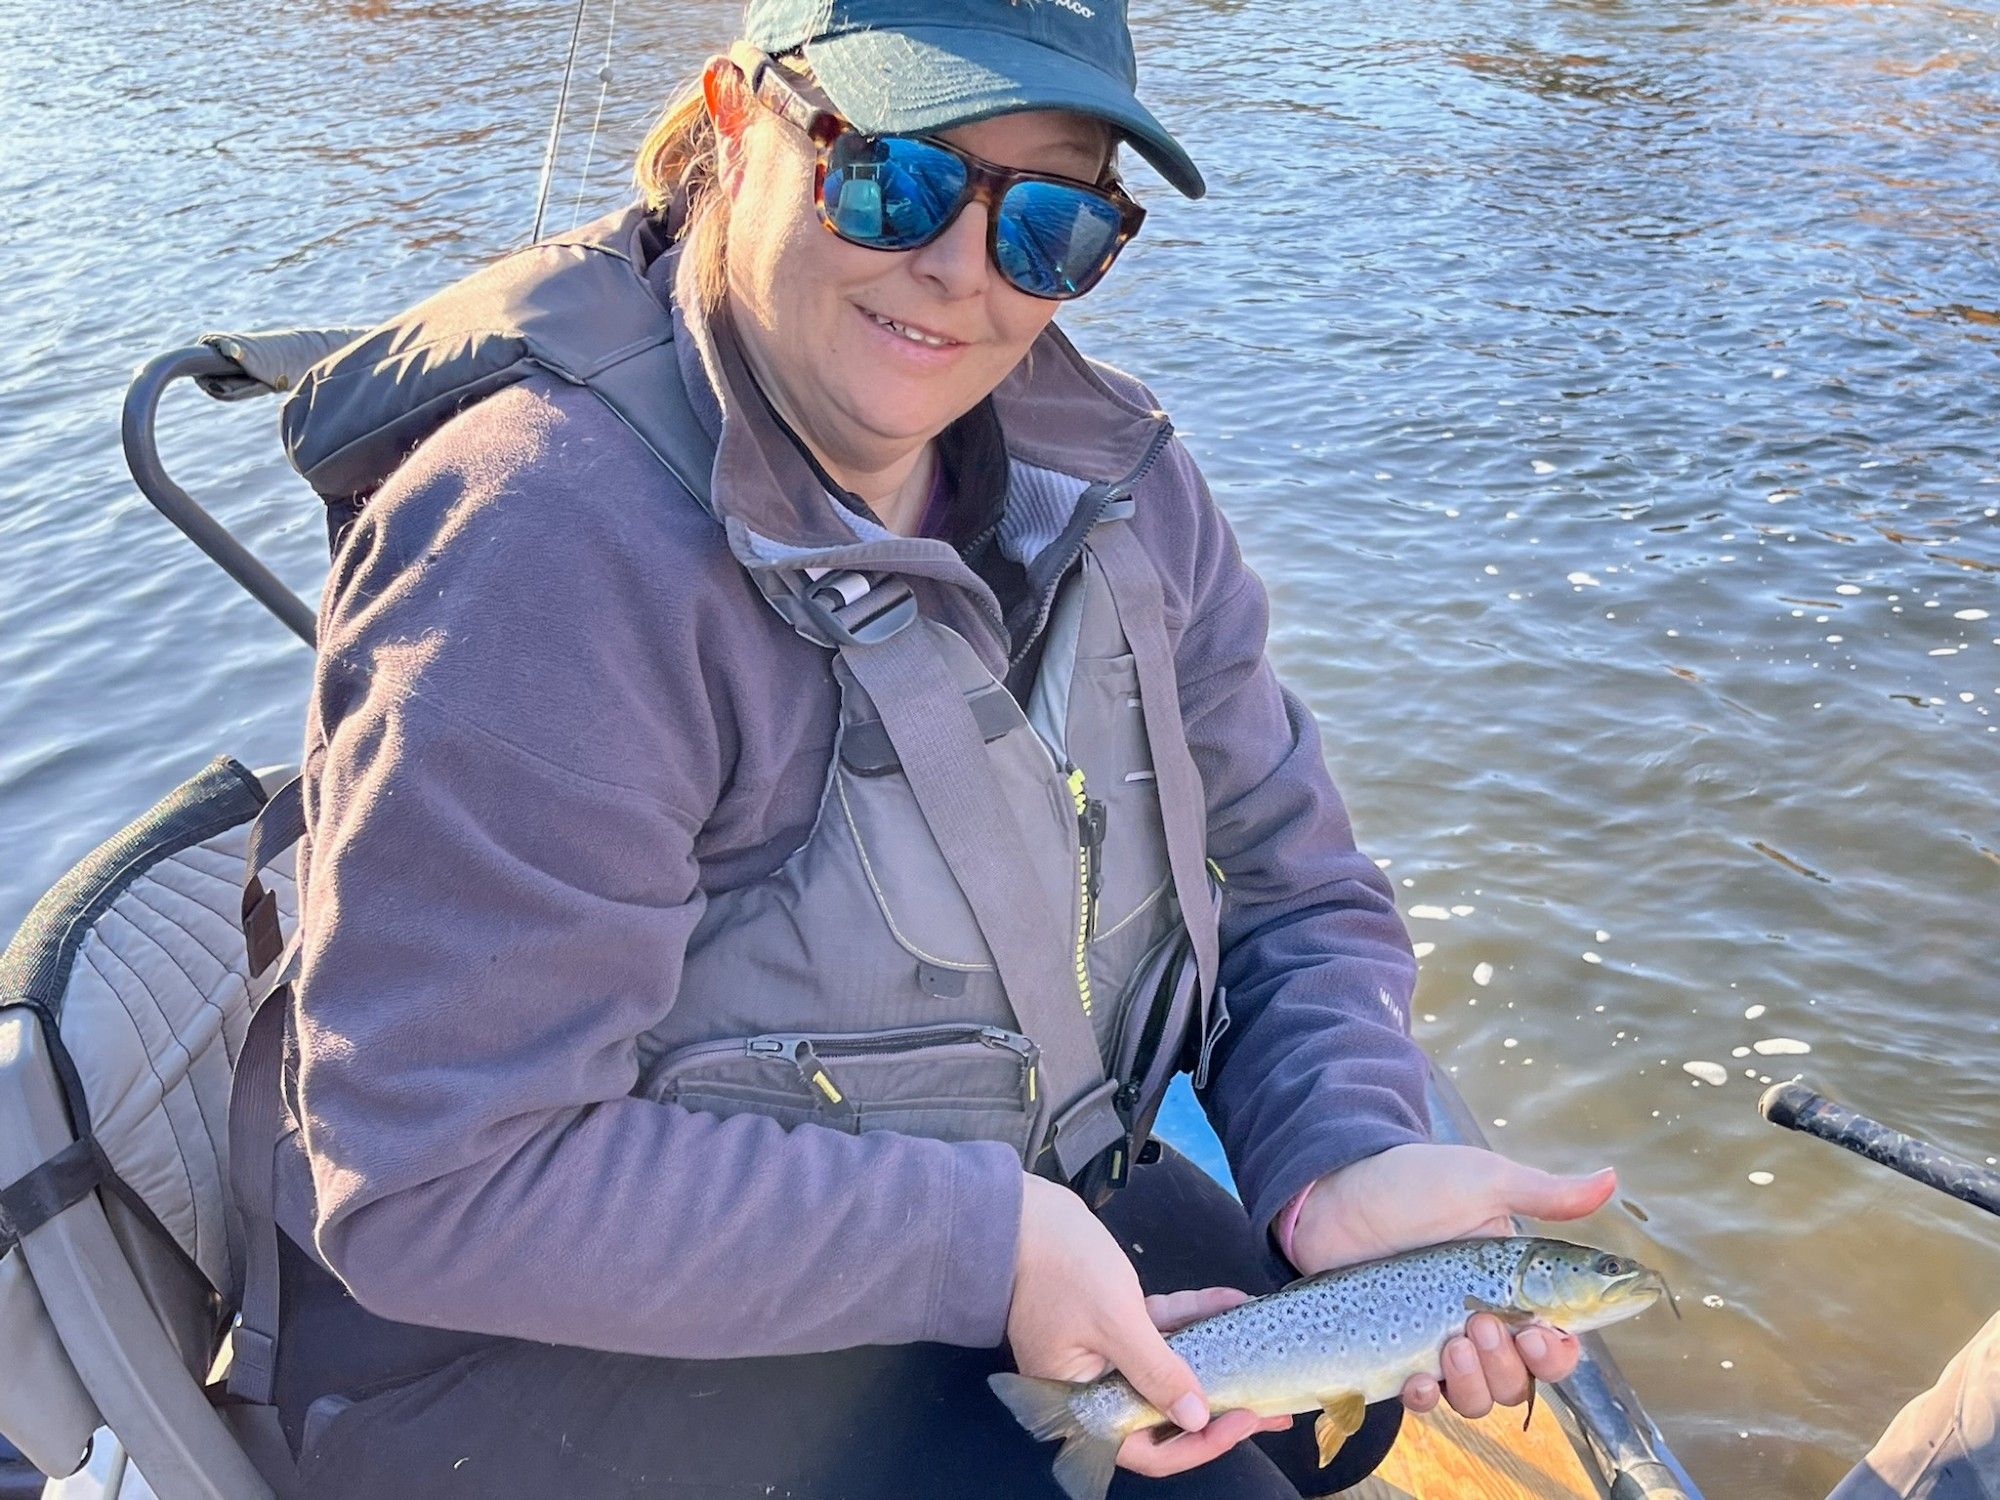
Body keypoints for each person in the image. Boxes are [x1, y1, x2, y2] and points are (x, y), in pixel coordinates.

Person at [266, 2, 1620, 1495]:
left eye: (1048, 222)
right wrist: (984, 1246)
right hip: (512, 1359)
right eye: (893, 176)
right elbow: (436, 1183)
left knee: (1294, 1414)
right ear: (734, 122)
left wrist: (1336, 1153)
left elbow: (1292, 887)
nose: (962, 270)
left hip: (982, 1221)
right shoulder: (534, 552)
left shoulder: (1123, 485)